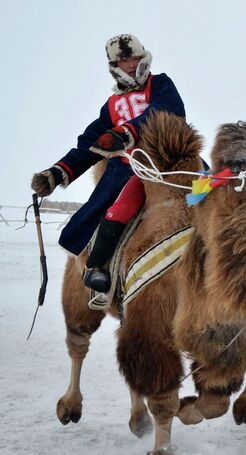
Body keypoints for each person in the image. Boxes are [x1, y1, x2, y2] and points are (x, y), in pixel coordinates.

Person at [30, 34, 185, 292]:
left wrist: (127, 132)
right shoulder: (111, 106)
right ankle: (97, 266)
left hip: (171, 160)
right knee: (120, 204)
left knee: (212, 185)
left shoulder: (160, 84)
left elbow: (169, 110)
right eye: (124, 60)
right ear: (115, 66)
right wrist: (57, 173)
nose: (131, 64)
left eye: (134, 57)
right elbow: (91, 143)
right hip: (129, 169)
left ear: (143, 56)